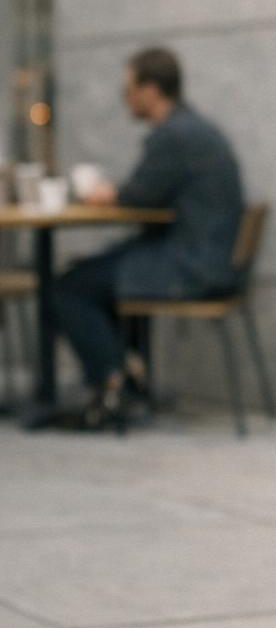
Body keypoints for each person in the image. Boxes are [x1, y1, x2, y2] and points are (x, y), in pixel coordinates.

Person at [51, 47, 245, 432]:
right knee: (88, 275)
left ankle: (111, 384)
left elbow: (138, 196)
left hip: (190, 265)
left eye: (128, 91)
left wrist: (107, 195)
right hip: (202, 257)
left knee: (69, 287)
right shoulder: (190, 128)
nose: (126, 100)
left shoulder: (175, 134)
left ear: (150, 90)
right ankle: (124, 375)